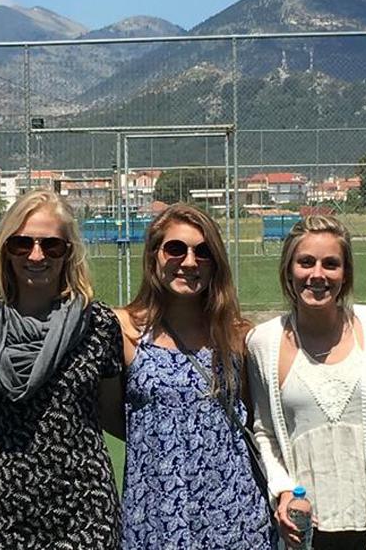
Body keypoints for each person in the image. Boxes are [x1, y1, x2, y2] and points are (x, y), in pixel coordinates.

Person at [0, 189, 123, 549]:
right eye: (22, 244)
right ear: (5, 248)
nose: (36, 255)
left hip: (87, 516)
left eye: (52, 246)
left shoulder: (98, 324)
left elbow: (110, 415)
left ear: (68, 253)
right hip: (5, 517)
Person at [115, 203, 277, 549]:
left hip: (234, 515)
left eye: (203, 252)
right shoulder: (125, 331)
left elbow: (254, 415)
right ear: (154, 255)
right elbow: (109, 413)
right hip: (156, 513)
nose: (189, 262)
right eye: (176, 248)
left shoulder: (237, 337)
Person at [246, 215, 366, 550]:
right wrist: (283, 491)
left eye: (331, 264)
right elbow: (263, 431)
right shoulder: (263, 343)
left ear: (345, 274)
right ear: (289, 270)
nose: (318, 274)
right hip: (308, 533)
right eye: (306, 262)